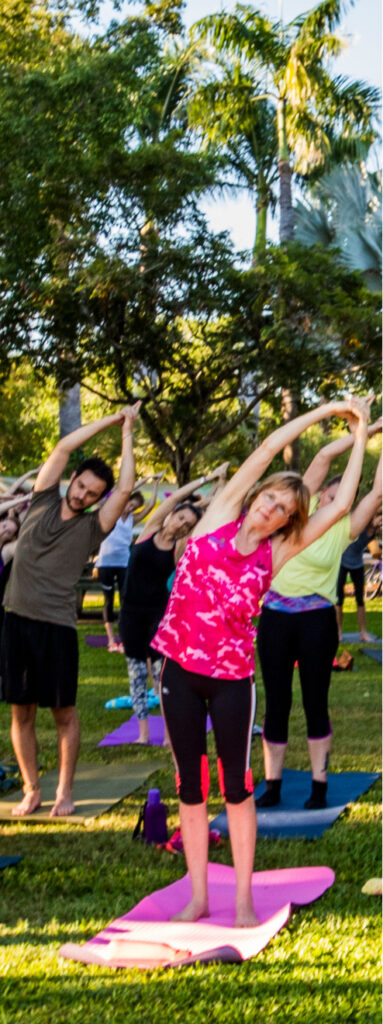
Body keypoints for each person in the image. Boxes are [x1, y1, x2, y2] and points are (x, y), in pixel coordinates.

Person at [151, 397, 370, 928]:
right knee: (190, 787)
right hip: (178, 672)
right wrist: (328, 413)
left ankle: (244, 899)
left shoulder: (278, 553)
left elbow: (339, 510)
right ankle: (200, 897)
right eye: (269, 498)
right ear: (254, 496)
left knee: (237, 787)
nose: (270, 510)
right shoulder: (217, 517)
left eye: (283, 510)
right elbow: (272, 445)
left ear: (287, 522)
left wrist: (363, 433)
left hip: (231, 681)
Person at [1, 404, 141, 817]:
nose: (82, 495)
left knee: (64, 713)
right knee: (20, 711)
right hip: (15, 620)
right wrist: (112, 419)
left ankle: (64, 791)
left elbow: (127, 484)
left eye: (93, 493)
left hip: (57, 628)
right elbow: (64, 447)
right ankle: (31, 789)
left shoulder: (94, 527)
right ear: (73, 479)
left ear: (100, 498)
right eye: (81, 486)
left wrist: (128, 434)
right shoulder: (43, 499)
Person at [256, 427, 381, 813]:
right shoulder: (294, 518)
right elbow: (324, 455)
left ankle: (319, 784)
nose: (332, 500)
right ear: (317, 495)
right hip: (275, 617)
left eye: (340, 496)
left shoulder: (345, 527)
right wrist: (368, 428)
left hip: (317, 621)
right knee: (276, 700)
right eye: (328, 494)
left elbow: (377, 492)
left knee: (315, 701)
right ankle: (273, 783)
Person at [119, 465, 227, 744]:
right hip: (130, 615)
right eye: (180, 517)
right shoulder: (149, 530)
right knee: (136, 676)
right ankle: (143, 734)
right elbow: (174, 497)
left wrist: (222, 484)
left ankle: (168, 734)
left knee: (161, 677)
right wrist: (207, 477)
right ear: (172, 515)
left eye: (187, 524)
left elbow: (212, 514)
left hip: (158, 616)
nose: (180, 524)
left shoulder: (180, 548)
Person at [95, 474, 164, 652]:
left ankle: (125, 638)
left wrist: (155, 484)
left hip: (123, 563)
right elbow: (123, 491)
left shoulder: (133, 519)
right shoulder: (113, 513)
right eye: (129, 503)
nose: (130, 508)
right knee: (108, 601)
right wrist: (143, 480)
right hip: (105, 563)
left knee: (126, 601)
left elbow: (150, 506)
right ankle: (111, 640)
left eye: (134, 506)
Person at [336, 510, 381, 642]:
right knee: (339, 600)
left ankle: (363, 633)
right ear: (372, 516)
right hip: (342, 561)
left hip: (357, 563)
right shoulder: (362, 525)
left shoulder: (374, 533)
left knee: (360, 600)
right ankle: (338, 632)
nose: (380, 520)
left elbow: (376, 553)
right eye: (379, 517)